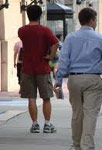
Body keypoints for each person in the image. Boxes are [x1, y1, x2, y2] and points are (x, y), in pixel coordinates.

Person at [54, 8, 102, 150]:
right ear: (92, 20)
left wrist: (59, 80)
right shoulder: (100, 38)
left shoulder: (70, 37)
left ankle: (76, 145)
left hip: (74, 79)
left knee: (77, 114)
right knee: (90, 114)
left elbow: (64, 61)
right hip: (93, 79)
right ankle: (87, 146)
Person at [18, 5, 58, 133]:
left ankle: (35, 124)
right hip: (43, 67)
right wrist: (51, 56)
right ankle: (47, 124)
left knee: (31, 97)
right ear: (40, 15)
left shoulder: (22, 30)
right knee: (46, 97)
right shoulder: (45, 30)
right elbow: (55, 42)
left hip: (27, 68)